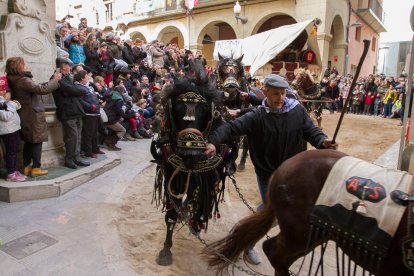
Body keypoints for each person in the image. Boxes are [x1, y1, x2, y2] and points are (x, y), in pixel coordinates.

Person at [204, 74, 337, 265]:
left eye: (283, 93)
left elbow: (311, 131)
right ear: (265, 92)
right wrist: (214, 142)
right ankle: (247, 242)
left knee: (275, 211)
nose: (280, 98)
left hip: (295, 174)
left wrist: (323, 141)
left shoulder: (297, 111)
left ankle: (245, 232)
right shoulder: (256, 116)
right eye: (275, 94)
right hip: (269, 175)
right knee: (272, 211)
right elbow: (231, 129)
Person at [6, 57, 61, 177]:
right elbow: (42, 89)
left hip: (25, 114)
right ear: (18, 67)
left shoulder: (14, 79)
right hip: (32, 115)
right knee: (37, 140)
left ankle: (26, 167)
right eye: (23, 64)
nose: (26, 65)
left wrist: (50, 80)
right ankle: (36, 168)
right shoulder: (23, 80)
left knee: (29, 141)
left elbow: (36, 87)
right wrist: (55, 80)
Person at [53, 57, 90, 169]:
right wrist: (79, 90)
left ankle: (76, 158)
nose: (71, 67)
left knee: (78, 137)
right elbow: (74, 90)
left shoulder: (68, 77)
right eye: (69, 65)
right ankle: (69, 160)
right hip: (67, 112)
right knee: (72, 137)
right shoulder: (57, 77)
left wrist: (77, 90)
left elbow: (76, 89)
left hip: (76, 111)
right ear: (63, 66)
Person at [0, 96, 26, 181]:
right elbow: (5, 116)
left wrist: (15, 104)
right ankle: (11, 174)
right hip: (7, 130)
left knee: (15, 150)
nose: (5, 93)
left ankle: (14, 171)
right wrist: (13, 104)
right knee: (11, 152)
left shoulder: (2, 100)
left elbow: (15, 107)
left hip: (13, 128)